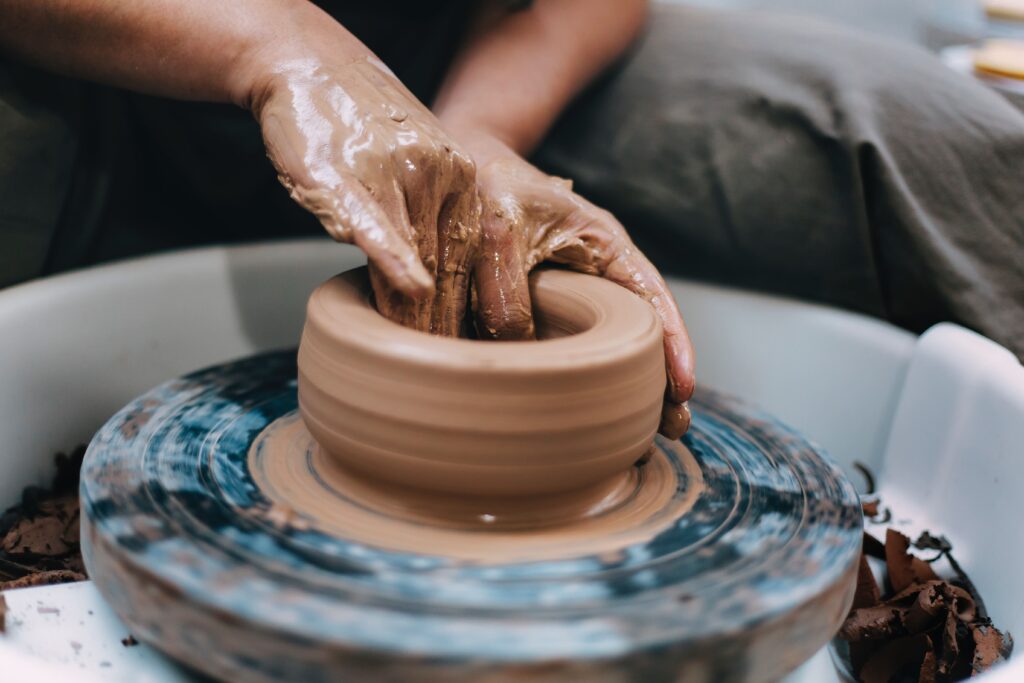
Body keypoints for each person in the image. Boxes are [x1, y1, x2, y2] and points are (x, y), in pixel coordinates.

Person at [0, 1, 1021, 435]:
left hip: (466, 60)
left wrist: (479, 134)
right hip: (108, 69)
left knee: (928, 143)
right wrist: (287, 53)